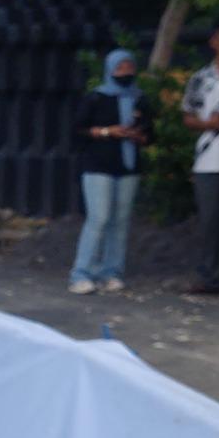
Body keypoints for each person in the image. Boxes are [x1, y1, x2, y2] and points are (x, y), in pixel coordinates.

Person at [68, 49, 155, 294]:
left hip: (128, 166)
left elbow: (151, 134)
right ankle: (81, 272)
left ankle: (111, 271)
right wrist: (108, 132)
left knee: (121, 220)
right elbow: (78, 131)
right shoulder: (96, 97)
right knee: (99, 218)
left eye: (129, 67)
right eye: (120, 68)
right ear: (110, 70)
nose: (125, 72)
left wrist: (139, 136)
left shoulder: (140, 98)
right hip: (98, 164)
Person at [182, 22, 219, 295]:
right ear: (213, 41)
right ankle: (209, 276)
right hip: (209, 159)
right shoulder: (200, 78)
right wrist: (209, 124)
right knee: (210, 221)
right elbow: (188, 117)